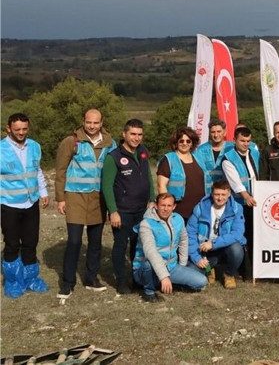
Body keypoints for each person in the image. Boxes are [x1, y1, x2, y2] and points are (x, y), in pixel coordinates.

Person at [55, 109, 116, 299]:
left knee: (95, 242)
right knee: (74, 241)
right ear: (83, 121)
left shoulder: (110, 143)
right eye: (89, 122)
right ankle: (67, 283)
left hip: (98, 198)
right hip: (75, 196)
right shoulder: (71, 141)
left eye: (96, 123)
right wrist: (61, 198)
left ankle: (91, 279)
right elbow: (61, 170)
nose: (92, 126)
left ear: (101, 122)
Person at [101, 119, 154, 295]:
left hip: (142, 210)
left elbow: (148, 176)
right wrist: (113, 212)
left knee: (138, 245)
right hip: (122, 211)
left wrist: (152, 199)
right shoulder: (113, 157)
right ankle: (121, 280)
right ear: (124, 134)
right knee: (121, 245)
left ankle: (137, 277)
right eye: (133, 134)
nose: (136, 138)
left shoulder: (143, 151)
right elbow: (107, 186)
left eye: (139, 134)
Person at [1, 113, 49, 298]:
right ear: (8, 129)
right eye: (17, 129)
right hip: (8, 204)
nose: (21, 133)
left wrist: (43, 192)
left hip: (31, 203)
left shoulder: (35, 146)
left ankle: (30, 279)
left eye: (24, 129)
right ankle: (13, 281)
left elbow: (37, 171)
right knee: (12, 244)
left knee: (31, 243)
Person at [132, 193, 206, 302]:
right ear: (156, 206)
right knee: (148, 264)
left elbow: (184, 240)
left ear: (174, 206)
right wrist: (164, 276)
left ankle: (164, 283)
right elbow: (150, 252)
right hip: (147, 269)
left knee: (201, 281)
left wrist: (182, 264)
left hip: (171, 266)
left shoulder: (178, 219)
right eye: (163, 205)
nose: (166, 209)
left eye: (169, 206)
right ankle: (149, 291)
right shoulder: (146, 224)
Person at [187, 180, 246, 289]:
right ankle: (209, 270)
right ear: (211, 194)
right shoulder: (200, 208)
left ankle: (229, 274)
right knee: (195, 269)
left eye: (223, 195)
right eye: (217, 194)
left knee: (237, 249)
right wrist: (196, 258)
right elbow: (190, 234)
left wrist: (213, 244)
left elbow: (237, 233)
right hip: (204, 248)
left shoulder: (237, 209)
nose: (220, 198)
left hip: (224, 246)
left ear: (229, 194)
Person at [221, 126, 259, 279]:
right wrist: (246, 196)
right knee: (244, 237)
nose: (246, 144)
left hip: (257, 200)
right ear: (234, 140)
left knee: (256, 236)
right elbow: (235, 182)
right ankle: (245, 271)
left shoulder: (255, 153)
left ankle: (257, 269)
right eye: (242, 141)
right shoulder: (228, 159)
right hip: (241, 203)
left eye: (248, 141)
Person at [157, 126, 207, 222]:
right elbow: (161, 186)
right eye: (181, 141)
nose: (185, 143)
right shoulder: (168, 159)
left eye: (188, 141)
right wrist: (167, 207)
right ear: (176, 142)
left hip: (200, 209)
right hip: (178, 211)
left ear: (192, 143)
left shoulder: (199, 158)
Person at [193, 119, 233, 191]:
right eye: (213, 132)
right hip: (206, 191)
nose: (216, 135)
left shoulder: (232, 148)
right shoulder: (200, 150)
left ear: (225, 132)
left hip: (226, 191)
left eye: (219, 131)